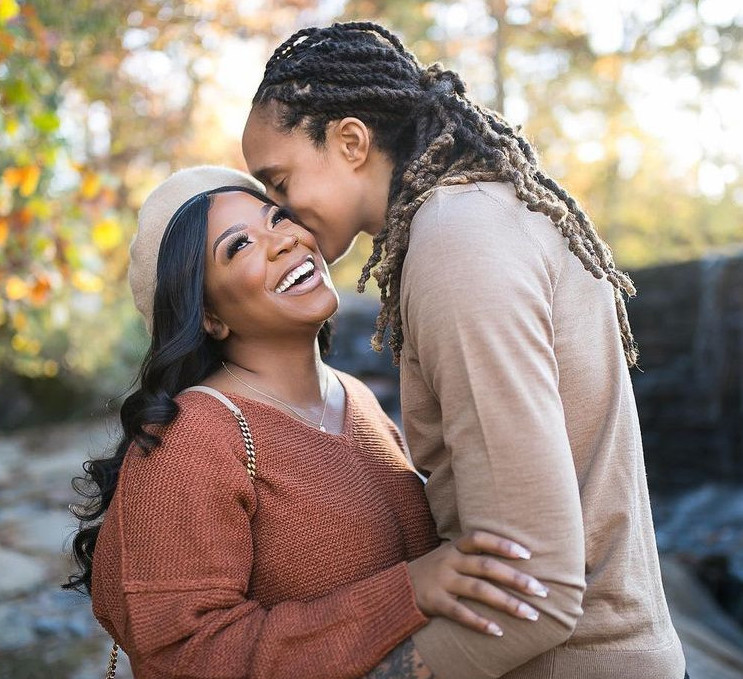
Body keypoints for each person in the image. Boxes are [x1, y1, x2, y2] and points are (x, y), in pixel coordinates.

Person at [241, 21, 688, 679]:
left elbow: (532, 589)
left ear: (350, 141)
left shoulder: (456, 243)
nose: (276, 213)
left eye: (278, 183)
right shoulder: (480, 214)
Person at [64, 166, 548, 679]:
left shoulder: (356, 398)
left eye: (278, 217)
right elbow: (186, 656)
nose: (283, 241)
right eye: (239, 245)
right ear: (208, 316)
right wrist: (409, 591)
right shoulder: (192, 436)